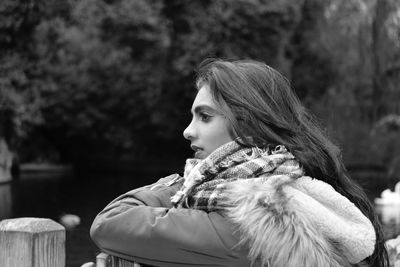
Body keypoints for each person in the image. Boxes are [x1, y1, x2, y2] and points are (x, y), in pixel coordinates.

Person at [90, 59, 388, 267]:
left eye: (205, 116)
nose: (187, 130)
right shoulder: (297, 196)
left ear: (248, 125)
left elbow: (110, 222)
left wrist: (184, 184)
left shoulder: (251, 225)